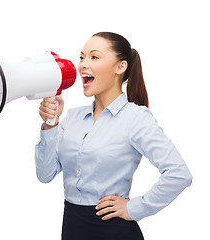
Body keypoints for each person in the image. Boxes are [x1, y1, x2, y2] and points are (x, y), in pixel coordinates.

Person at [35, 32, 192, 240]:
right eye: (82, 57)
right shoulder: (72, 117)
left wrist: (134, 208)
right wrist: (50, 124)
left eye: (94, 57)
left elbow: (179, 174)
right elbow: (45, 175)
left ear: (120, 67)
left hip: (115, 232)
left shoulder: (136, 118)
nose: (82, 65)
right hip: (72, 229)